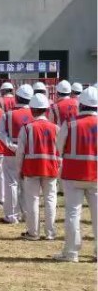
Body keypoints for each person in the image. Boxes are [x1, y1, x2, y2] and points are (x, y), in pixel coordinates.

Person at [53, 87, 97, 262]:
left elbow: (59, 147)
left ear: (81, 104)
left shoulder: (70, 123)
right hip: (96, 175)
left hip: (73, 174)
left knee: (72, 213)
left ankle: (71, 252)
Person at [17, 93, 60, 241]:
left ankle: (33, 232)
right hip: (51, 168)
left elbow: (20, 152)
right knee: (50, 199)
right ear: (47, 110)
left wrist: (19, 169)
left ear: (32, 110)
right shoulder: (56, 128)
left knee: (32, 200)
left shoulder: (27, 128)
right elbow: (60, 151)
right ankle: (50, 233)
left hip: (31, 168)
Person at [0, 84, 33, 224]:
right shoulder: (35, 114)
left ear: (17, 97)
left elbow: (0, 133)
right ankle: (26, 214)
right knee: (27, 185)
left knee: (11, 184)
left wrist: (13, 147)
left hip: (11, 154)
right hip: (29, 155)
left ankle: (11, 215)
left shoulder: (8, 114)